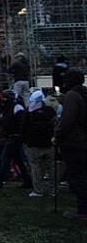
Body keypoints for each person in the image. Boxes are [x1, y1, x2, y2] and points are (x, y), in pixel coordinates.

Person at [54, 70, 87, 219]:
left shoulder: (72, 96)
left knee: (77, 176)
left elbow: (67, 120)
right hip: (83, 140)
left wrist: (57, 134)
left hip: (73, 141)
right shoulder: (83, 94)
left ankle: (83, 210)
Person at [23, 90, 56, 197]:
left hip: (33, 143)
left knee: (35, 167)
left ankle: (38, 190)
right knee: (51, 168)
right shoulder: (50, 110)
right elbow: (55, 124)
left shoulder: (29, 111)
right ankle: (53, 190)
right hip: (48, 142)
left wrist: (25, 140)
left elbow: (24, 126)